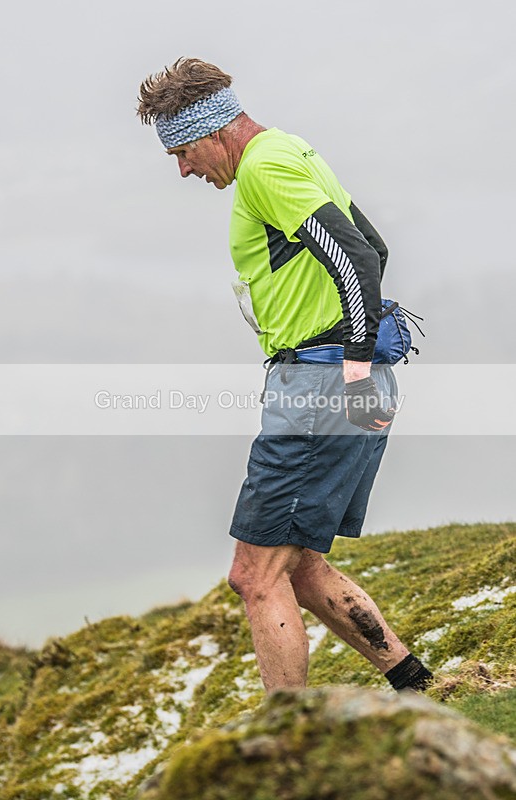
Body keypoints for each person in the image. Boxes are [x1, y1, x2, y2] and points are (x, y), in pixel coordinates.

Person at [137, 58, 432, 694]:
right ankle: (412, 683)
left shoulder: (264, 167)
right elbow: (376, 247)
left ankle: (284, 746)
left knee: (254, 574)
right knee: (298, 565)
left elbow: (356, 258)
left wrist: (351, 369)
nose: (185, 170)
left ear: (215, 132)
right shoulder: (290, 151)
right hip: (341, 382)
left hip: (323, 388)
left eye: (184, 152)